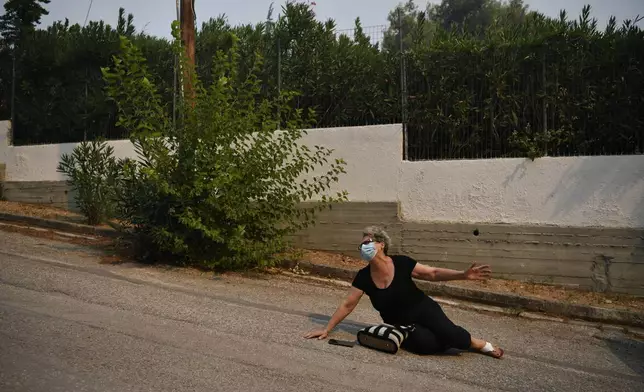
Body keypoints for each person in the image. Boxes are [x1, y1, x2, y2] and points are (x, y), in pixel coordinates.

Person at [304, 226, 504, 359]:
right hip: (400, 324)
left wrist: (463, 274)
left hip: (423, 309)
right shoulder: (363, 276)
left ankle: (477, 343)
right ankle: (451, 338)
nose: (364, 246)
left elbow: (432, 273)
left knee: (451, 335)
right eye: (361, 245)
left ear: (382, 244)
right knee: (424, 347)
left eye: (368, 242)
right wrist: (327, 329)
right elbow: (348, 304)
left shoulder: (401, 262)